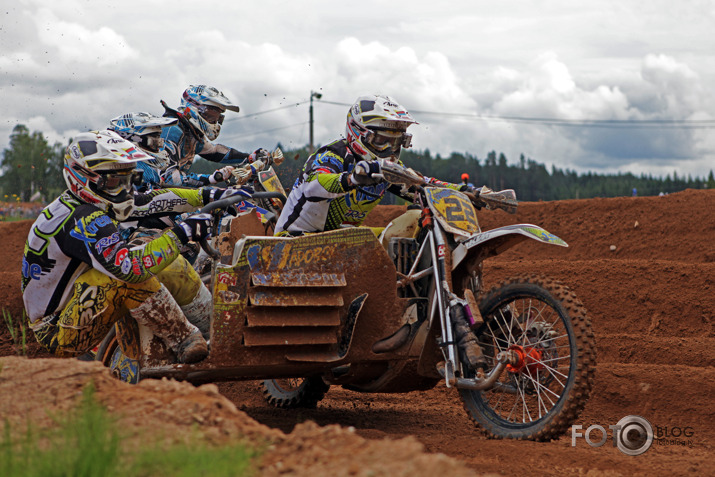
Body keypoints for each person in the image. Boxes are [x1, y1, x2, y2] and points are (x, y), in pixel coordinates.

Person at [273, 94, 484, 368]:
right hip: (296, 242)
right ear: (358, 133)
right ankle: (356, 331)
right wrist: (352, 177)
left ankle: (408, 314)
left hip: (345, 240)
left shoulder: (386, 168)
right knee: (367, 243)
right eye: (382, 140)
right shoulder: (332, 155)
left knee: (409, 225)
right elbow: (315, 184)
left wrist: (468, 191)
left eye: (396, 141)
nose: (388, 148)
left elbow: (422, 183)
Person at [21, 130, 233, 363]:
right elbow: (129, 268)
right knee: (128, 276)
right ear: (84, 177)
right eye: (114, 181)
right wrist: (183, 232)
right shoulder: (81, 217)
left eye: (129, 179)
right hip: (57, 329)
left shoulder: (87, 201)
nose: (124, 190)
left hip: (77, 302)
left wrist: (209, 195)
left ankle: (218, 329)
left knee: (173, 263)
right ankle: (185, 339)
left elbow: (152, 200)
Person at [158, 84, 270, 187]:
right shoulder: (172, 130)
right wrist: (213, 178)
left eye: (217, 117)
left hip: (171, 194)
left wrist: (250, 157)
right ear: (196, 108)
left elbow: (214, 151)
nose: (214, 120)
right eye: (211, 115)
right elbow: (168, 177)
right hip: (153, 195)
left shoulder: (190, 132)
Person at [108, 111, 177, 190]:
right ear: (135, 140)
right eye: (154, 141)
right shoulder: (137, 169)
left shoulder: (143, 168)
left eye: (159, 139)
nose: (159, 145)